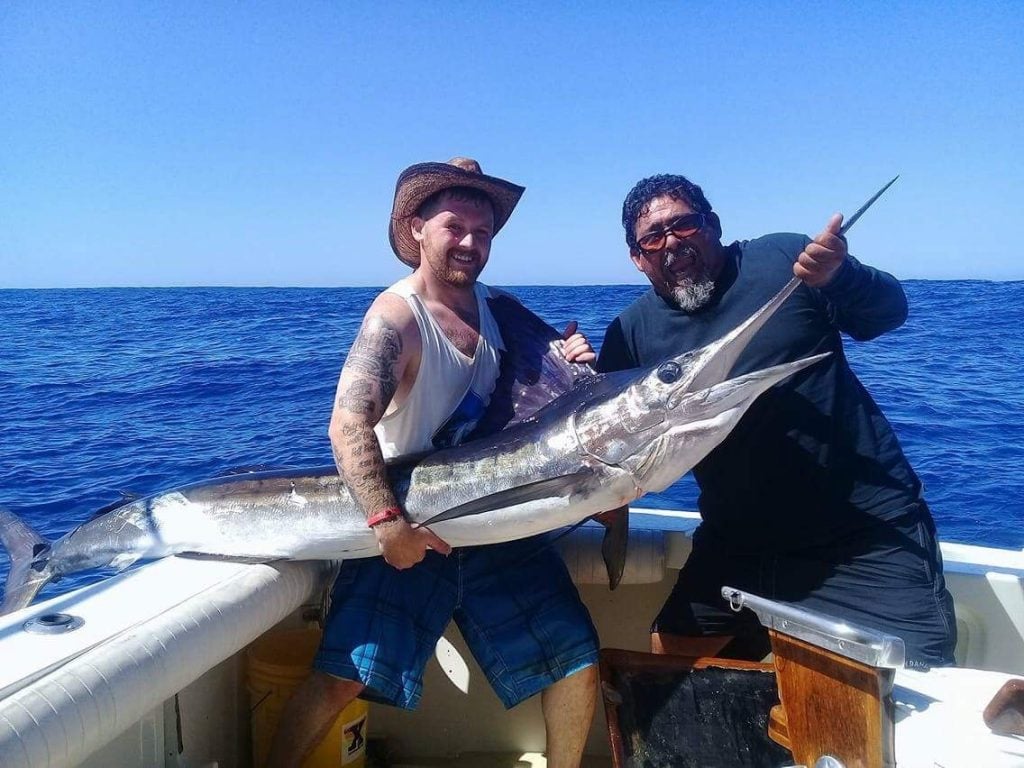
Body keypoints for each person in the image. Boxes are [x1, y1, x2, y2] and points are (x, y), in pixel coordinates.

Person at [267, 158, 599, 768]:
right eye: (455, 226)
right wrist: (386, 525)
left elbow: (555, 385)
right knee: (343, 675)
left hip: (494, 521)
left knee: (577, 659)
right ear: (416, 226)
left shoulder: (502, 310)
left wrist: (575, 358)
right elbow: (347, 425)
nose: (472, 242)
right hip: (406, 522)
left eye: (485, 231)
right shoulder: (396, 317)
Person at [598, 173, 957, 668]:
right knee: (665, 680)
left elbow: (887, 314)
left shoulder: (781, 259)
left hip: (861, 537)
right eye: (653, 237)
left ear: (714, 225)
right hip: (736, 545)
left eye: (684, 225)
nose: (672, 243)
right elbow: (608, 442)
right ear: (638, 257)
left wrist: (841, 276)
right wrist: (573, 376)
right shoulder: (629, 333)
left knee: (914, 694)